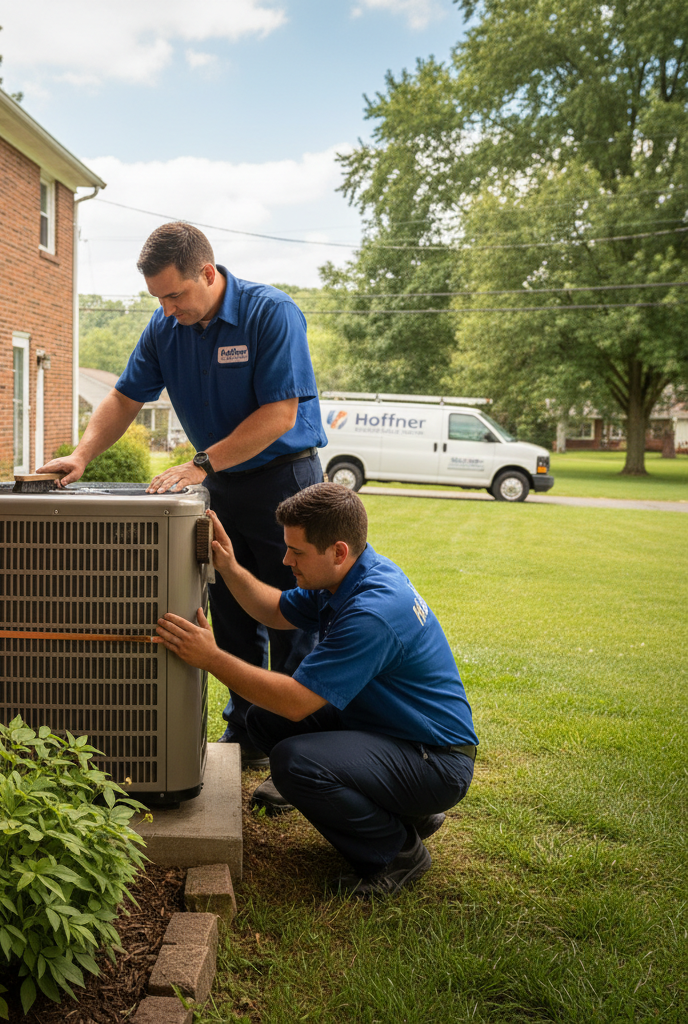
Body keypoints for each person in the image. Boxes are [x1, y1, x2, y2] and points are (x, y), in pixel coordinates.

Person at [39, 222, 327, 767]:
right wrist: (81, 455)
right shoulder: (164, 327)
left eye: (174, 294)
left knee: (296, 616)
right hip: (220, 486)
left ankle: (298, 748)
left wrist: (201, 463)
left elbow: (280, 414)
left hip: (285, 482)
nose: (167, 309)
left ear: (208, 273)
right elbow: (125, 398)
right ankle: (247, 734)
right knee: (232, 610)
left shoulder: (271, 314)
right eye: (158, 298)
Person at [154, 482, 478, 896]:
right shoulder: (348, 578)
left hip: (435, 761)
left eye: (297, 551)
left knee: (296, 762)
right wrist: (230, 567)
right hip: (393, 732)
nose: (286, 559)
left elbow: (297, 701)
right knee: (263, 720)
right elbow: (274, 610)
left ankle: (396, 852)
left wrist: (211, 657)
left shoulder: (372, 613)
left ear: (338, 551)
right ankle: (405, 812)